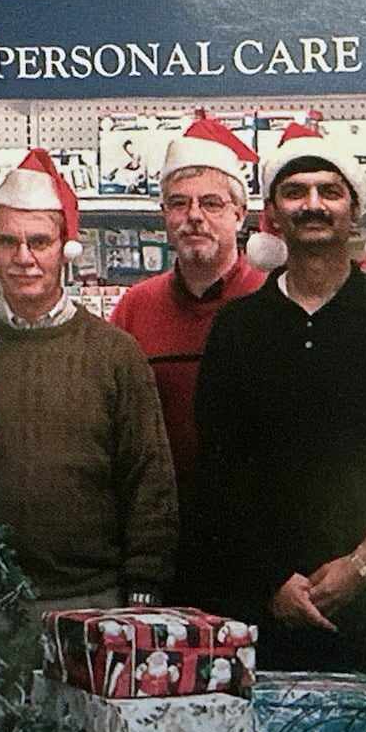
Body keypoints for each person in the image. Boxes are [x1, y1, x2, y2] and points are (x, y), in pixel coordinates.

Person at [186, 126, 366, 672]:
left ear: (354, 210)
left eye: (329, 191)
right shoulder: (236, 328)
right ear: (273, 214)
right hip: (263, 606)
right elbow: (220, 468)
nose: (313, 204)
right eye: (296, 191)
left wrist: (364, 563)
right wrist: (272, 580)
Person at [0, 149, 177, 616]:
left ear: (65, 247)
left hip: (90, 600)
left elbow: (149, 477)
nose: (24, 258)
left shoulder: (114, 354)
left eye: (39, 242)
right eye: (9, 242)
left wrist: (145, 586)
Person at [110, 118, 266, 490]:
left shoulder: (271, 300)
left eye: (211, 203)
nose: (194, 216)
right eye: (180, 203)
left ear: (239, 214)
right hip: (159, 517)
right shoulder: (134, 308)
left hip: (258, 523)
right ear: (164, 213)